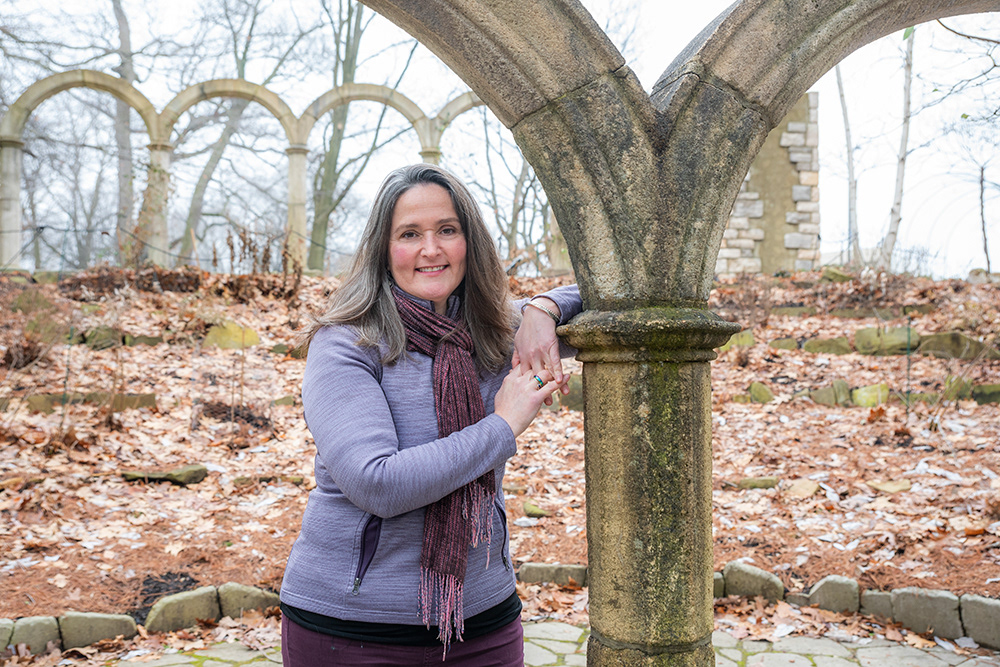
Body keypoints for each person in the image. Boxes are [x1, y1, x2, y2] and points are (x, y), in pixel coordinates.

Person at [280, 163, 582, 666]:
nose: (431, 249)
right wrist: (502, 424)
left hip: (482, 622)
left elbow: (624, 301)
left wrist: (541, 310)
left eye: (447, 230)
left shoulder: (493, 331)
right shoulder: (344, 345)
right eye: (409, 234)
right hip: (351, 631)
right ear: (383, 248)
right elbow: (377, 483)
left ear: (470, 241)